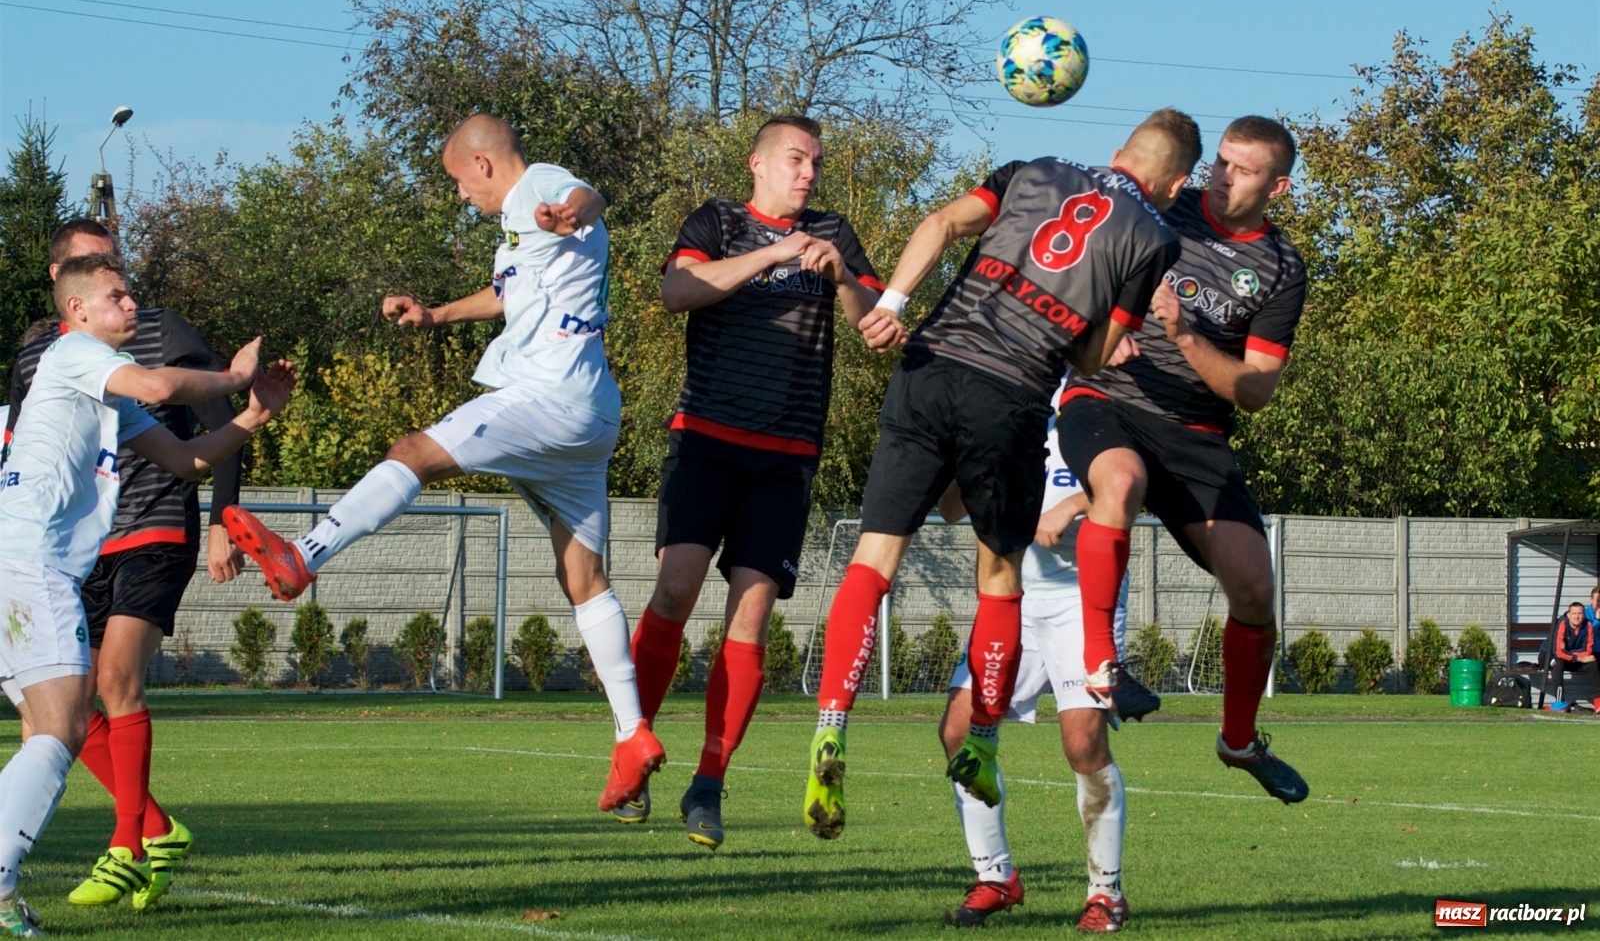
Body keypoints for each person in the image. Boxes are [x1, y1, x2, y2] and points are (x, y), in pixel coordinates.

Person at [220, 113, 665, 811]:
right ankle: (632, 736)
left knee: (414, 452)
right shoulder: (519, 231)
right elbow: (507, 294)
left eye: (459, 182)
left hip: (543, 399)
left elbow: (586, 198)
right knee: (583, 576)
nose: (462, 196)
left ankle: (302, 555)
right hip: (591, 414)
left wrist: (569, 211)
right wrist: (434, 315)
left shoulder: (540, 189)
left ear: (484, 165)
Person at [804, 109, 1198, 840]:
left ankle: (831, 725)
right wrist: (1099, 336)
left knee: (874, 559)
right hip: (1009, 393)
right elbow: (1091, 356)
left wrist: (891, 304)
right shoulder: (1156, 237)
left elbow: (940, 224)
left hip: (926, 369)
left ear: (1117, 153)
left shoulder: (1035, 168)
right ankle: (982, 739)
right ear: (1176, 183)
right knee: (999, 576)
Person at [0, 253, 294, 938]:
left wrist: (252, 416)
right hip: (30, 564)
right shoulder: (73, 353)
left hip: (25, 565)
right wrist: (233, 375)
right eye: (116, 296)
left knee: (54, 729)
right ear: (77, 312)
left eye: (131, 296)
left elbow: (186, 460)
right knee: (64, 728)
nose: (131, 306)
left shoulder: (106, 393)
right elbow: (164, 385)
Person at [620, 116, 882, 847]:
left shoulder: (835, 232)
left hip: (787, 454)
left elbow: (875, 323)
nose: (809, 174)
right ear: (759, 163)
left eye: (817, 164)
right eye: (796, 160)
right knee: (675, 589)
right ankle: (632, 754)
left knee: (752, 613)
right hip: (705, 438)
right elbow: (678, 291)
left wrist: (840, 278)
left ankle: (708, 785)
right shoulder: (719, 220)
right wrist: (775, 254)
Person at [1058, 115, 1309, 803]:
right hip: (1105, 399)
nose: (1222, 177)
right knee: (1121, 480)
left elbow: (1255, 390)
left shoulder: (1282, 269)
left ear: (1277, 186)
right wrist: (1101, 328)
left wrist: (1182, 334)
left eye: (1243, 169)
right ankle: (1100, 661)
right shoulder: (1165, 204)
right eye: (1221, 162)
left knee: (1255, 590)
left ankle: (1238, 741)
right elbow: (1078, 262)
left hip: (1197, 434)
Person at [936, 380, 1133, 934]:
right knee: (959, 730)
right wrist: (961, 449)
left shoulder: (1100, 392)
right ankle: (996, 877)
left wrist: (1074, 502)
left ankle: (1106, 893)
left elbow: (1144, 484)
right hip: (1013, 598)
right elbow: (950, 509)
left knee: (1083, 742)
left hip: (1083, 598)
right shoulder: (1002, 393)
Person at [1550, 602, 1596, 706]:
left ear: (1584, 615)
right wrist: (1579, 658)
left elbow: (1588, 650)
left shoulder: (1588, 625)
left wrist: (1567, 652)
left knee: (1593, 663)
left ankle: (1598, 701)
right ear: (1569, 615)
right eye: (1574, 613)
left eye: (1580, 613)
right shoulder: (1562, 623)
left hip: (1571, 658)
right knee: (1558, 664)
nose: (1577, 616)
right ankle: (1559, 701)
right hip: (1549, 655)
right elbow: (1558, 652)